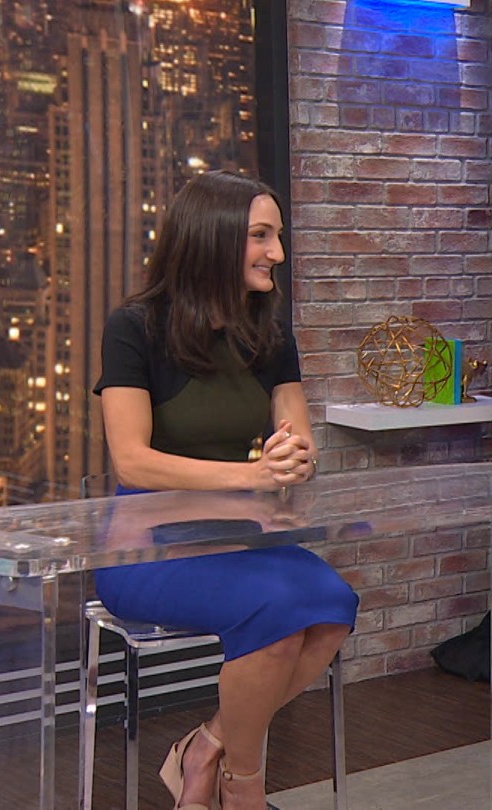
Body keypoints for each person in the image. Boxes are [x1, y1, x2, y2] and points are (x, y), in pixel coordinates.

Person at [93, 170, 359, 810]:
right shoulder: (135, 328)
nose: (278, 253)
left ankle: (205, 748)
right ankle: (243, 791)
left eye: (278, 236)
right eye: (261, 236)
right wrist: (252, 475)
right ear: (213, 239)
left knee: (331, 607)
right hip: (146, 545)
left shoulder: (269, 330)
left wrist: (294, 459)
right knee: (277, 618)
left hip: (241, 536)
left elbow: (298, 441)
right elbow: (133, 462)